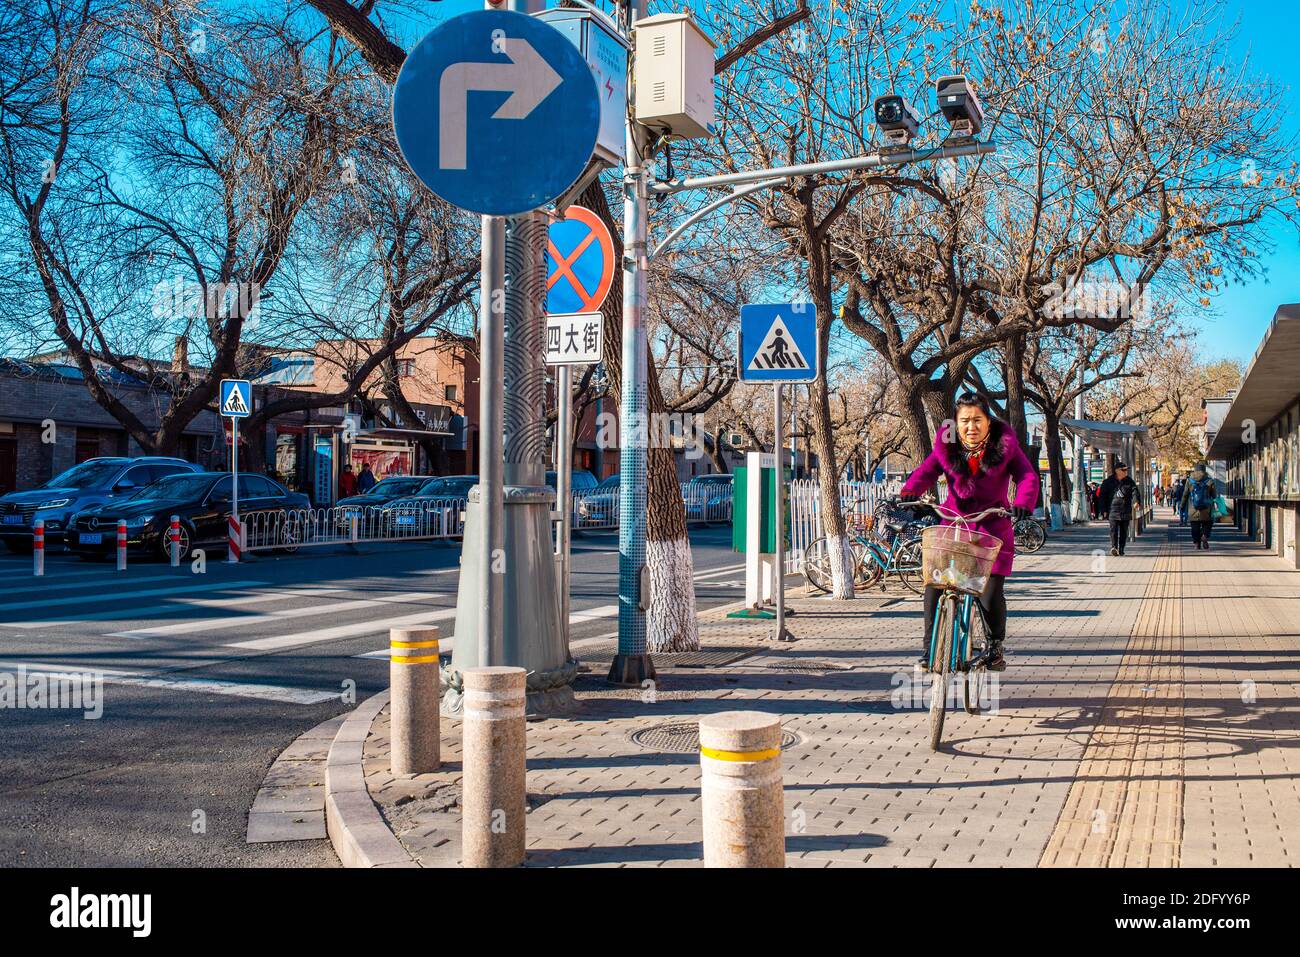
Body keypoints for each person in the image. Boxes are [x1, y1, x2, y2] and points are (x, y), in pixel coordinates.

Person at [898, 392, 1040, 672]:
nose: (970, 427)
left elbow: (1027, 475)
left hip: (992, 526)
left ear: (988, 421)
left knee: (989, 592)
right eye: (964, 420)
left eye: (977, 420)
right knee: (935, 584)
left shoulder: (1005, 445)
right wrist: (910, 491)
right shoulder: (947, 445)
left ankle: (994, 646)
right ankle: (929, 650)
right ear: (956, 423)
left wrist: (1024, 502)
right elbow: (927, 470)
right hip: (954, 525)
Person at [1098, 461, 1140, 555]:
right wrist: (1103, 510)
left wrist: (1136, 501)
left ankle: (1121, 548)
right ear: (1117, 471)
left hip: (1125, 510)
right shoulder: (1108, 482)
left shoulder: (1129, 481)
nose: (1125, 471)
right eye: (1123, 470)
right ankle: (1114, 547)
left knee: (1124, 531)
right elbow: (1102, 497)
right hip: (1112, 510)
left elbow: (1134, 492)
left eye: (1126, 470)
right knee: (1113, 530)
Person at [1181, 462, 1217, 550]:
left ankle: (1196, 544)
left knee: (1194, 526)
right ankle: (1204, 536)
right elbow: (1214, 495)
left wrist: (1182, 506)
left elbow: (1185, 495)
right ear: (1204, 470)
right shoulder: (1209, 480)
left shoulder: (1189, 481)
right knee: (1207, 523)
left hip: (1193, 508)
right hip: (1206, 508)